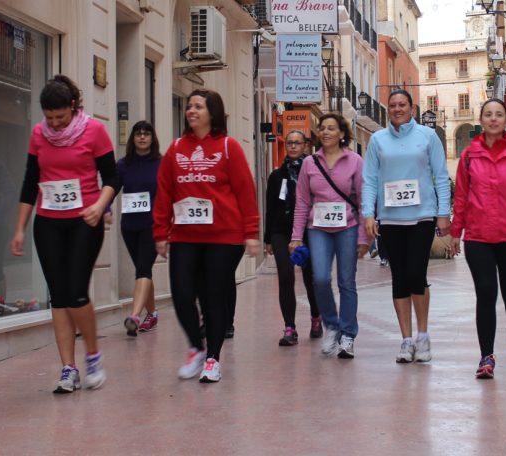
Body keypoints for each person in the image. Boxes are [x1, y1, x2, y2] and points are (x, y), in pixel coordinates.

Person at [10, 75, 117, 393]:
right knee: (58, 297)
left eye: (60, 117)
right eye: (49, 118)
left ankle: (93, 356)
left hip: (84, 220)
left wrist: (100, 205)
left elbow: (112, 177)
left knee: (76, 293)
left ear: (72, 107)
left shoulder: (94, 131)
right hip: (48, 222)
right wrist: (19, 229)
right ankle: (68, 368)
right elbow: (30, 183)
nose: (55, 124)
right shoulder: (38, 135)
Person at [153, 88, 260, 383]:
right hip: (185, 235)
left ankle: (212, 358)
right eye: (189, 106)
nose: (191, 111)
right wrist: (160, 232)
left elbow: (245, 192)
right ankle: (195, 348)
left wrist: (251, 232)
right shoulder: (175, 149)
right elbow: (164, 193)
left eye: (198, 106)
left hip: (223, 237)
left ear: (212, 112)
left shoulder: (228, 147)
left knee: (214, 297)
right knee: (182, 294)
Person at [450, 98, 506, 379]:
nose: (493, 119)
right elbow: (461, 197)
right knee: (486, 294)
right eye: (488, 114)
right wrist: (455, 232)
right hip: (478, 238)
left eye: (499, 114)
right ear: (481, 119)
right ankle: (486, 356)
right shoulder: (468, 157)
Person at [362, 89, 451, 364]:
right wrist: (368, 214)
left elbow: (441, 175)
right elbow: (370, 180)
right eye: (393, 105)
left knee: (416, 274)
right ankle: (406, 340)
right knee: (399, 278)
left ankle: (423, 336)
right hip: (390, 219)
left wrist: (443, 213)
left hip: (422, 217)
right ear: (388, 109)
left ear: (412, 108)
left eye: (402, 105)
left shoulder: (427, 136)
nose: (397, 109)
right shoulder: (377, 140)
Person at [289, 113, 369, 359]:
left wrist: (364, 237)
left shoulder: (355, 161)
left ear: (342, 134)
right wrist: (296, 236)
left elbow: (363, 199)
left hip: (348, 227)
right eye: (322, 128)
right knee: (321, 278)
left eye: (331, 128)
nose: (325, 132)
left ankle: (347, 335)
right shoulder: (310, 163)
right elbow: (302, 200)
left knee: (346, 281)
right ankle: (332, 326)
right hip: (318, 229)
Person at [265, 130, 322, 346]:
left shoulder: (315, 171)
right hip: (281, 231)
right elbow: (270, 207)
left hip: (310, 230)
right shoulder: (276, 176)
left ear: (305, 146)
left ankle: (316, 317)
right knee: (286, 275)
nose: (293, 146)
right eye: (289, 143)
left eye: (297, 143)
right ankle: (290, 327)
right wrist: (268, 238)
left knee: (311, 278)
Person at [114, 121, 161, 336]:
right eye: (138, 134)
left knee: (142, 268)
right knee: (144, 270)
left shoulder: (161, 163)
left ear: (152, 138)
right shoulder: (123, 164)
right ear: (133, 138)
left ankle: (134, 315)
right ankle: (152, 314)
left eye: (146, 134)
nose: (142, 137)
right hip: (129, 226)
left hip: (152, 226)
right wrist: (104, 207)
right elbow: (112, 187)